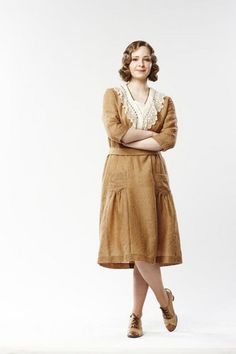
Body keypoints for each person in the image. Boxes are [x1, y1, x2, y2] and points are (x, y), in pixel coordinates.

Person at [97, 40, 183, 338]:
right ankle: (164, 301)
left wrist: (132, 140)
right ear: (127, 63)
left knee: (144, 246)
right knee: (136, 246)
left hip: (150, 174)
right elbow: (115, 132)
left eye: (146, 59)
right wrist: (150, 136)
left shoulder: (165, 100)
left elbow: (169, 139)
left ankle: (135, 315)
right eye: (135, 59)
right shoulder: (113, 95)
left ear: (152, 64)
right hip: (121, 175)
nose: (141, 64)